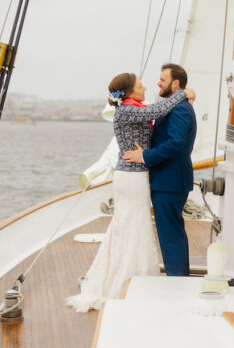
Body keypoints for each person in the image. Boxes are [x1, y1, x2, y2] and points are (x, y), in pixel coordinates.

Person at [66, 71, 193, 312]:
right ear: (129, 92)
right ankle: (127, 279)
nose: (146, 87)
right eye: (140, 85)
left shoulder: (132, 107)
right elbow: (155, 111)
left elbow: (156, 109)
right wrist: (183, 94)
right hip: (131, 176)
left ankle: (128, 274)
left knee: (130, 224)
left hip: (136, 174)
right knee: (134, 224)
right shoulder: (126, 110)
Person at [124, 63, 197, 277]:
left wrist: (144, 156)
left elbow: (176, 143)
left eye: (163, 79)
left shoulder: (181, 108)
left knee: (170, 234)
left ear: (176, 84)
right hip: (167, 180)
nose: (158, 82)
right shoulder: (172, 105)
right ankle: (178, 277)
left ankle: (177, 281)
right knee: (170, 233)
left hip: (170, 182)